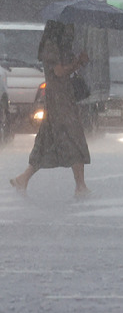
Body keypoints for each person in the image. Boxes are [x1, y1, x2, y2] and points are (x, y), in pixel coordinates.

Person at [10, 20, 91, 198]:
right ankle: (80, 185)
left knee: (46, 142)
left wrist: (78, 61)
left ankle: (23, 178)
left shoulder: (62, 46)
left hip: (63, 99)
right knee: (74, 138)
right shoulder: (51, 46)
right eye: (69, 27)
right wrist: (78, 63)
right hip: (58, 101)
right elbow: (59, 71)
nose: (72, 30)